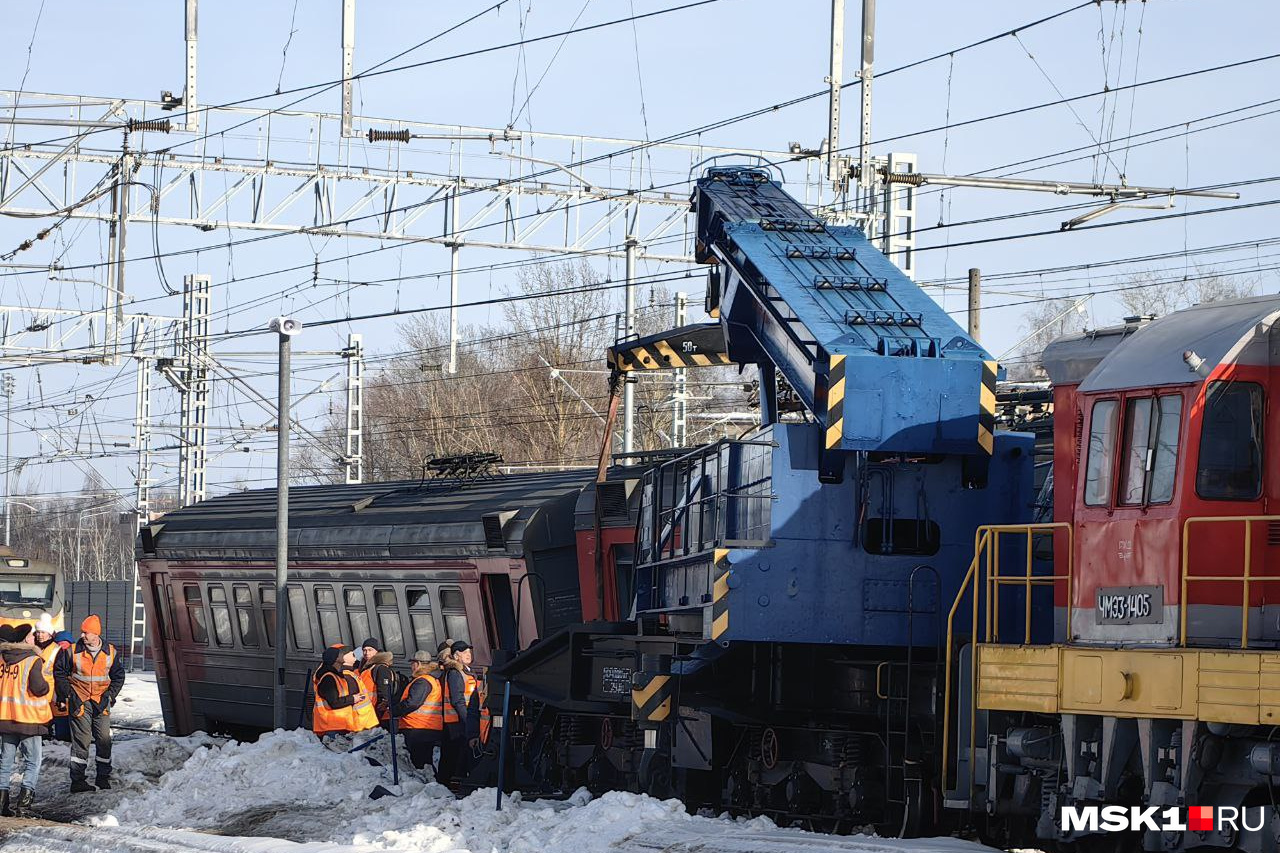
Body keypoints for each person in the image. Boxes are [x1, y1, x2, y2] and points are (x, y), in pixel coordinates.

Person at [54, 615, 125, 792]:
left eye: (87, 632)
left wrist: (110, 696)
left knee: (104, 740)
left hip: (102, 701)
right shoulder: (71, 651)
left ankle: (103, 777)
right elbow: (59, 673)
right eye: (83, 632)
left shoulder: (110, 652)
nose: (83, 635)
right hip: (80, 701)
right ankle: (78, 781)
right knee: (81, 742)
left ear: (96, 634)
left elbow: (118, 676)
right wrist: (69, 694)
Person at [0, 623, 51, 817]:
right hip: (28, 720)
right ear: (23, 640)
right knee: (33, 761)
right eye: (30, 636)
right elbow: (39, 688)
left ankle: (2, 804)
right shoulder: (32, 660)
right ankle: (24, 805)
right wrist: (46, 687)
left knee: (5, 761)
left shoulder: (2, 659)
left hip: (5, 718)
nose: (33, 638)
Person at [391, 650, 443, 772]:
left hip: (417, 728)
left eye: (412, 663)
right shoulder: (431, 679)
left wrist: (394, 710)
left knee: (419, 764)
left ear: (418, 664)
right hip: (426, 727)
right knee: (425, 764)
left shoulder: (422, 681)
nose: (411, 666)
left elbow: (412, 703)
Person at [311, 645, 379, 739]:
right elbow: (334, 702)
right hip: (332, 726)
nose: (342, 655)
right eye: (339, 654)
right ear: (335, 659)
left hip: (340, 724)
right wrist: (353, 698)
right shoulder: (328, 678)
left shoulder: (336, 676)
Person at [438, 640, 480, 786]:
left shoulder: (466, 672)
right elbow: (457, 700)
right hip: (456, 723)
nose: (468, 655)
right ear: (456, 657)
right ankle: (449, 784)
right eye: (464, 652)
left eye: (469, 652)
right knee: (454, 756)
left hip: (461, 720)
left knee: (458, 756)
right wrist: (469, 721)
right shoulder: (455, 673)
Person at [356, 637, 398, 725]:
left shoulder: (380, 668)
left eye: (370, 650)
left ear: (377, 651)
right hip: (366, 710)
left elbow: (384, 687)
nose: (366, 653)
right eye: (364, 650)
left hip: (375, 710)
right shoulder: (365, 667)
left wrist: (383, 703)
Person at [48, 631, 74, 742]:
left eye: (64, 643)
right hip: (60, 692)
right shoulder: (56, 654)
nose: (61, 646)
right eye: (59, 644)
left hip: (67, 691)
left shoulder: (72, 654)